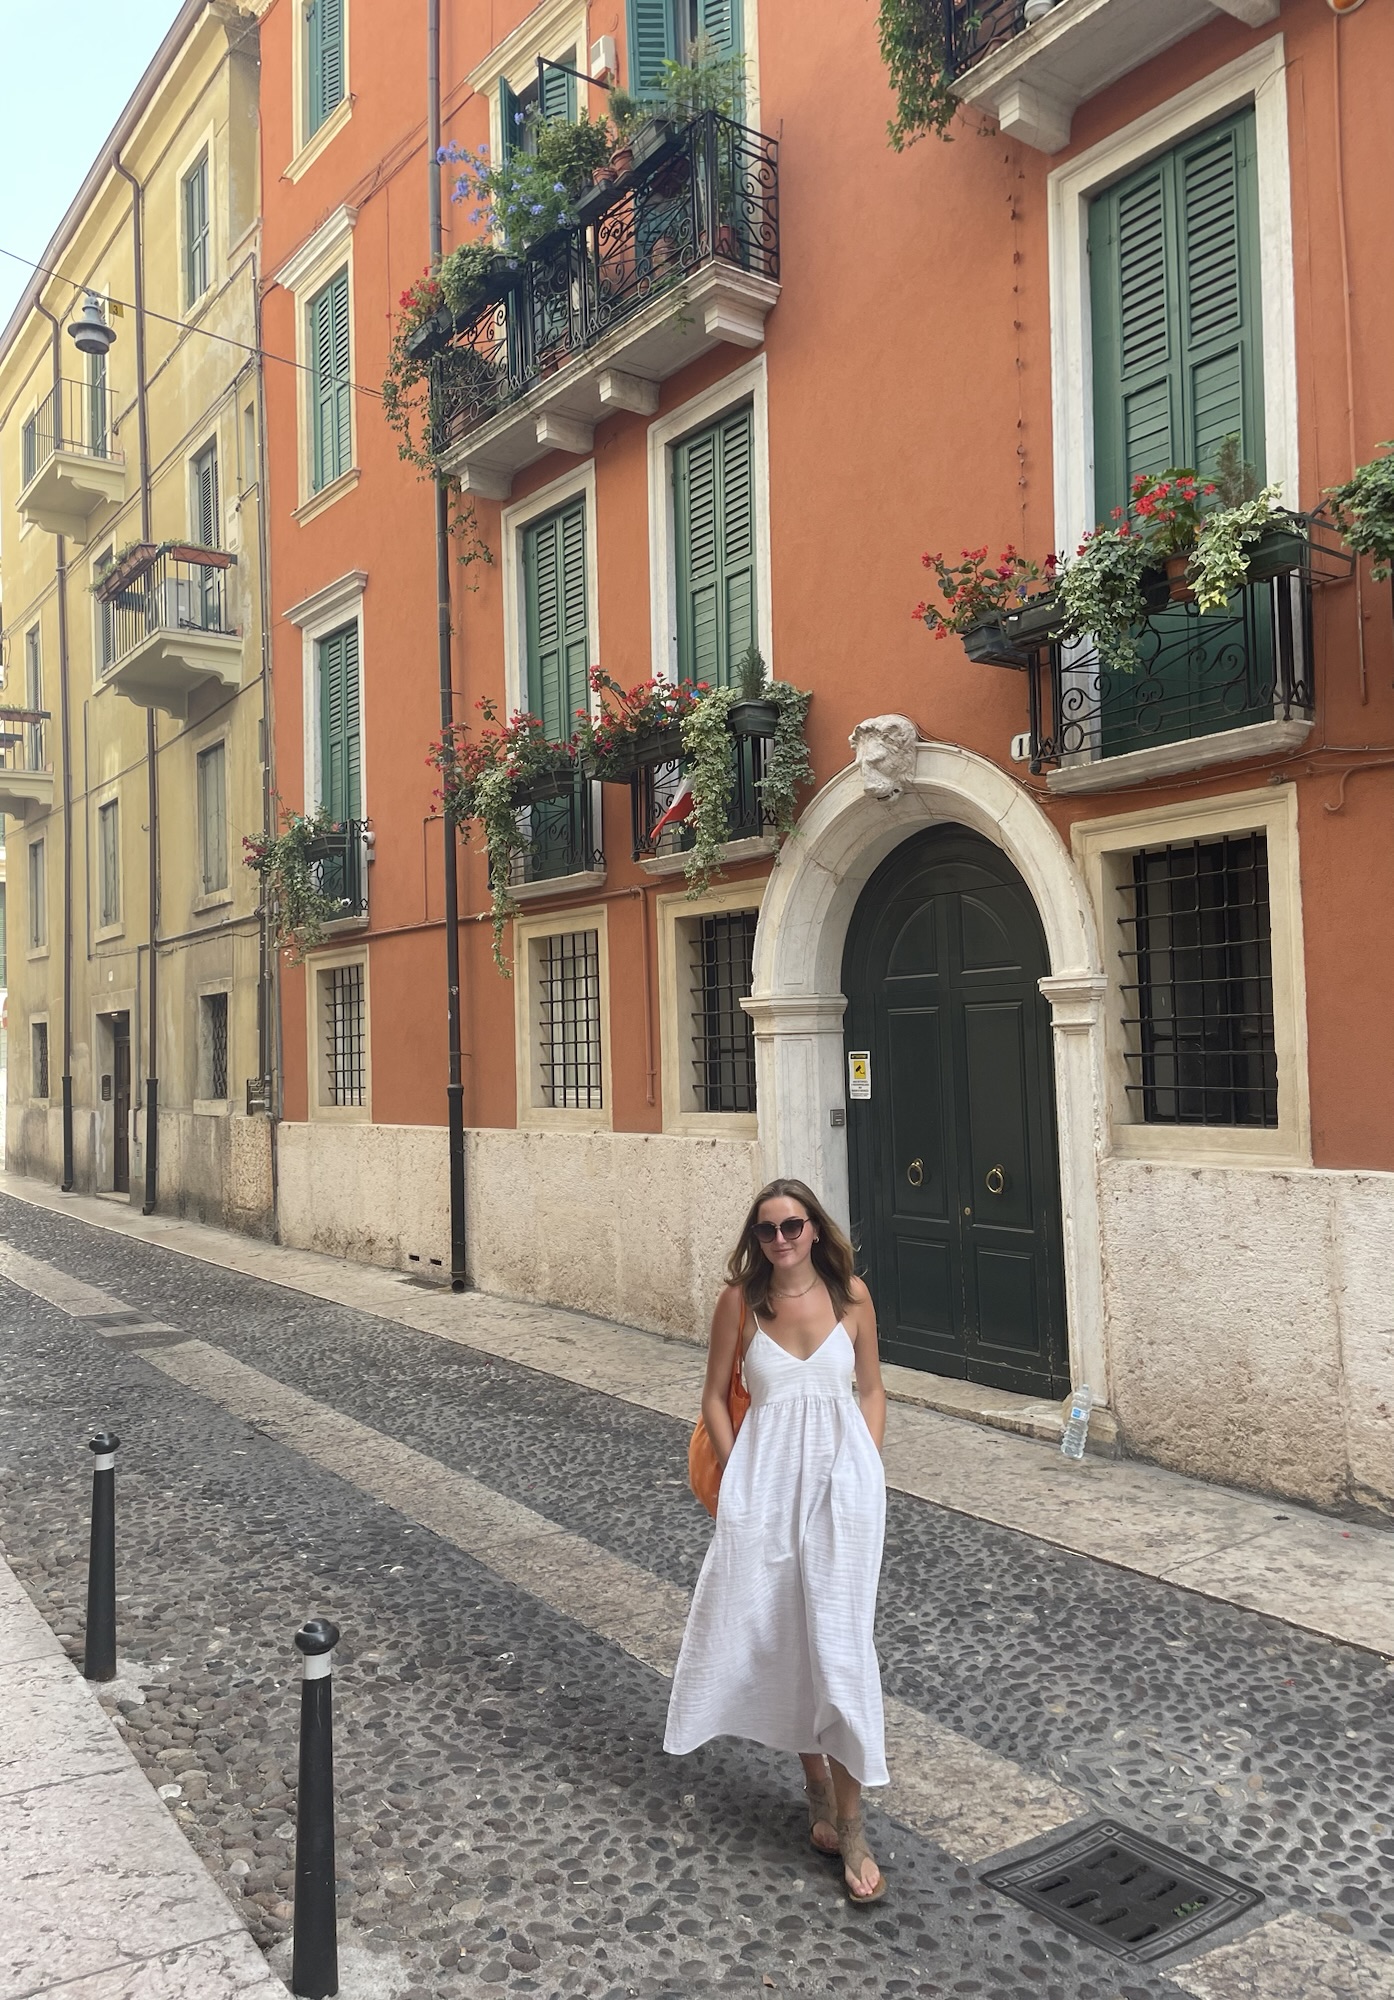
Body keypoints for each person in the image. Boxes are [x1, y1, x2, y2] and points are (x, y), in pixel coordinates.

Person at [664, 1177, 889, 1904]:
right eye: (767, 1229)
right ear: (755, 1239)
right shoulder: (741, 1303)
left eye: (793, 1225)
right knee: (786, 1634)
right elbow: (712, 1396)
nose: (782, 1239)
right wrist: (738, 1479)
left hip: (842, 1496)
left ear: (815, 1228)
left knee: (842, 1646)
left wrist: (865, 1468)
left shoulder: (852, 1297)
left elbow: (871, 1389)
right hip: (764, 1493)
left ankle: (853, 1826)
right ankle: (815, 1785)